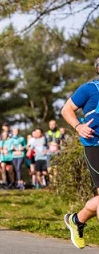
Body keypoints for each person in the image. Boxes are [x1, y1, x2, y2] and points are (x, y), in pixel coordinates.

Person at [62, 57, 99, 248]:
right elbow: (66, 109)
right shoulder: (89, 89)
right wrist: (78, 126)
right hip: (95, 146)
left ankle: (76, 220)